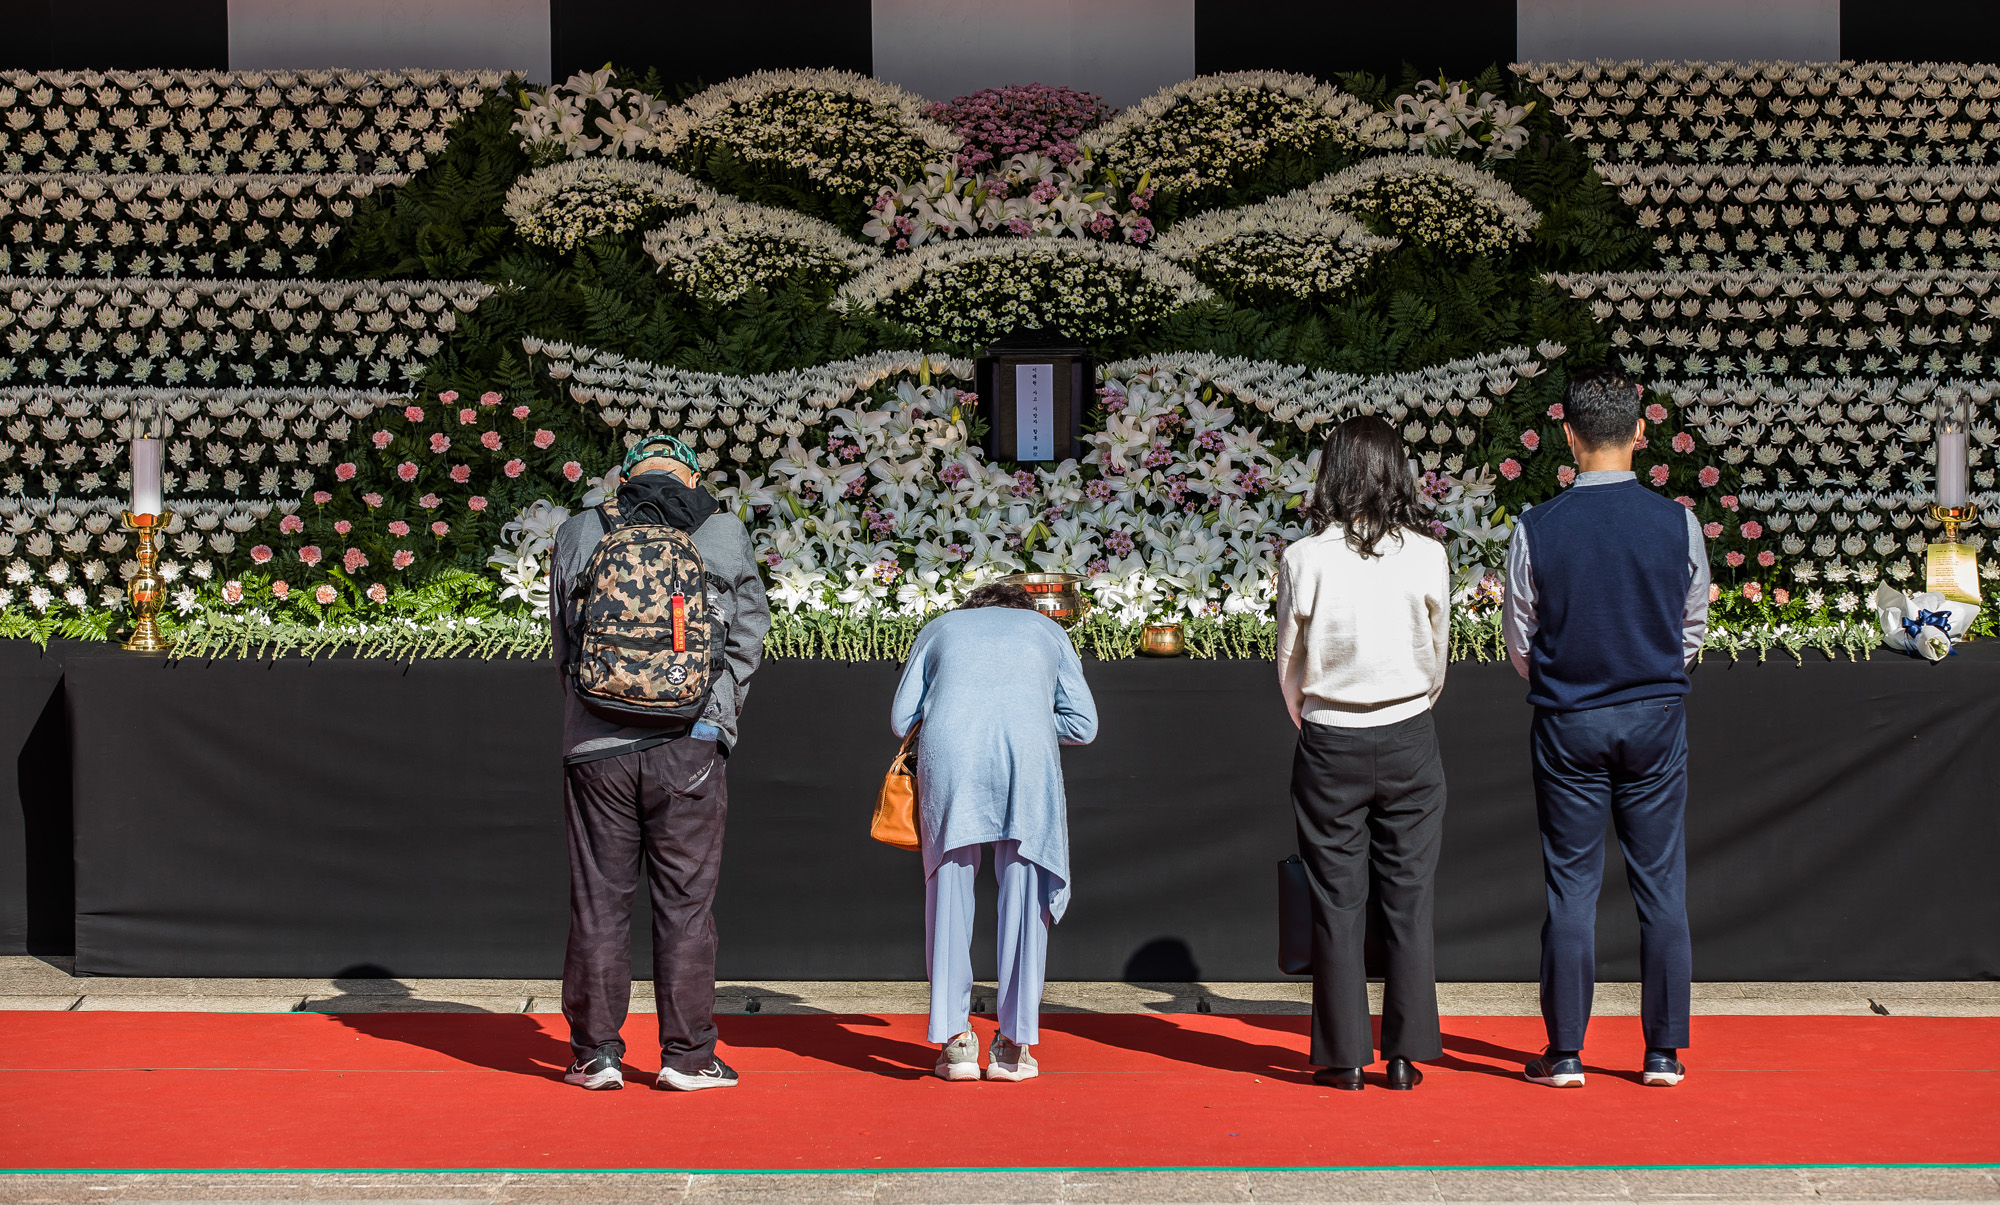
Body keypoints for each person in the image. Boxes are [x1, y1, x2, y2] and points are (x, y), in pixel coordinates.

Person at [1502, 369, 1709, 1090]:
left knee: (1571, 886)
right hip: (1654, 716)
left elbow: (1520, 640)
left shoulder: (1537, 526)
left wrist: (1566, 682)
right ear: (1640, 432)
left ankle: (1565, 1052)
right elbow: (1691, 628)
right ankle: (1663, 1052)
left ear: (1568, 435)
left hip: (1569, 719)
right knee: (1661, 883)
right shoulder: (1677, 523)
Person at [548, 434, 771, 1092]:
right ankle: (688, 1057)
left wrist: (589, 709)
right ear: (693, 477)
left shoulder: (580, 529)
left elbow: (564, 637)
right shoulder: (722, 530)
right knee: (686, 905)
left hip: (597, 747)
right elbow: (749, 632)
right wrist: (715, 718)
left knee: (599, 903)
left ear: (622, 480)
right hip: (689, 744)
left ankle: (595, 1055)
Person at [1275, 415, 1452, 1092]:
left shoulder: (1304, 557)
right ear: (1398, 471)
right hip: (1409, 732)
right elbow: (1437, 654)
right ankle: (1407, 1055)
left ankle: (1345, 1056)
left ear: (1333, 472)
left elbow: (1289, 660)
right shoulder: (1427, 554)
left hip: (1329, 737)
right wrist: (1410, 705)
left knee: (1336, 900)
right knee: (1410, 898)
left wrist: (1313, 713)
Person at [890, 582, 1098, 1083]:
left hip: (951, 754)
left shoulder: (940, 627)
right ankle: (1013, 1047)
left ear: (972, 608)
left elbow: (902, 720)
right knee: (1026, 893)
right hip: (1026, 757)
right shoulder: (1047, 629)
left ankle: (956, 1043)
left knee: (948, 894)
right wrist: (1026, 717)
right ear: (1021, 609)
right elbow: (1083, 724)